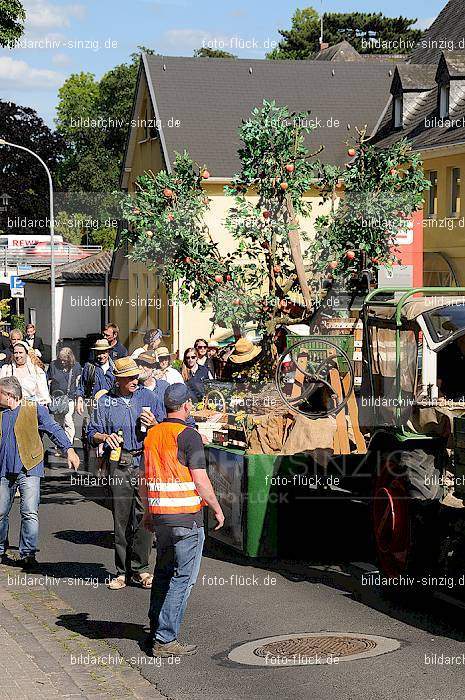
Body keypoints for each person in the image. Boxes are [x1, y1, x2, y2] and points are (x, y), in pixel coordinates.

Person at [140, 383, 224, 657]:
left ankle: (156, 628)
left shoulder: (152, 435)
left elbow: (144, 480)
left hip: (161, 516)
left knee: (163, 571)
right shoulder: (190, 436)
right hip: (187, 518)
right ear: (187, 406)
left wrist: (149, 514)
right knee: (182, 578)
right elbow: (200, 479)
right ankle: (165, 639)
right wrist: (217, 508)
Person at [87, 357, 166, 590]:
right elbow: (92, 431)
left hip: (143, 461)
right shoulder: (105, 403)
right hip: (119, 462)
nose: (135, 380)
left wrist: (154, 424)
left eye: (136, 376)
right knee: (121, 517)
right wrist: (104, 437)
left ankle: (140, 568)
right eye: (129, 377)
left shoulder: (148, 397)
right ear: (117, 379)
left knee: (143, 517)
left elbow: (164, 427)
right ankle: (122, 571)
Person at [0, 376, 80, 569]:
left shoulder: (34, 408)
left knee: (29, 512)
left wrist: (68, 449)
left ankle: (27, 554)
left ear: (9, 395)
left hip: (30, 468)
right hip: (3, 469)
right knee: (0, 512)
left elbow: (54, 429)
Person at [47, 347, 82, 444]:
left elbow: (79, 383)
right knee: (58, 423)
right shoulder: (53, 365)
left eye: (65, 360)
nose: (62, 362)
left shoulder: (76, 366)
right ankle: (60, 444)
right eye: (61, 360)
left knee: (68, 421)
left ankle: (68, 445)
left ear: (70, 359)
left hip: (69, 398)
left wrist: (79, 398)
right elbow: (48, 380)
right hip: (56, 398)